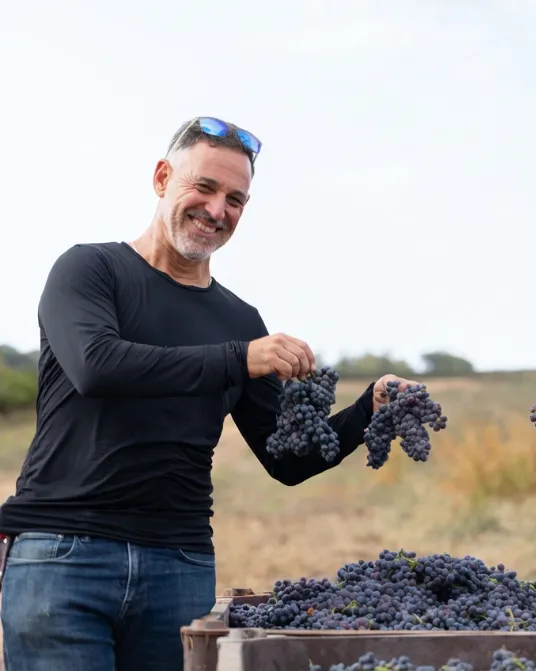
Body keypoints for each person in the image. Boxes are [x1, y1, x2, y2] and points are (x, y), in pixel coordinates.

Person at [0, 116, 419, 671]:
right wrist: (239, 358)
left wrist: (370, 408)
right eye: (204, 187)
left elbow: (288, 459)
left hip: (179, 563)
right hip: (63, 554)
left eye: (236, 199)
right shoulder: (89, 270)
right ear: (161, 178)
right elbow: (97, 367)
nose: (217, 210)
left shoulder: (239, 318)